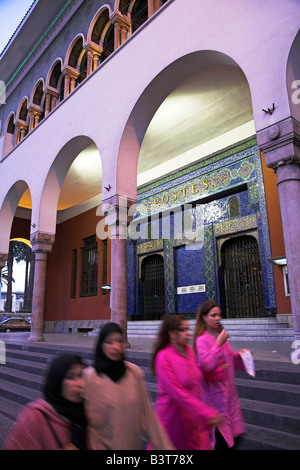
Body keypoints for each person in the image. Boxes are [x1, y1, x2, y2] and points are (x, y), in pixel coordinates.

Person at [83, 321, 174, 450]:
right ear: (100, 345)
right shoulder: (89, 378)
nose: (116, 347)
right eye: (109, 342)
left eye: (119, 341)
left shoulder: (134, 374)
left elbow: (149, 419)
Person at [150, 315, 222, 450]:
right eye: (183, 330)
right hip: (173, 420)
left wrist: (219, 373)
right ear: (172, 333)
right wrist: (206, 413)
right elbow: (178, 393)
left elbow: (197, 374)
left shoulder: (189, 351)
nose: (188, 333)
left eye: (188, 329)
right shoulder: (163, 357)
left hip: (193, 418)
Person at [4, 353, 88, 450]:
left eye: (81, 375)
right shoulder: (33, 417)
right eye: (70, 377)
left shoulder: (83, 410)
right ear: (57, 380)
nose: (80, 383)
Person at [194, 300, 247, 450]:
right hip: (216, 400)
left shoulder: (219, 335)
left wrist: (241, 356)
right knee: (222, 440)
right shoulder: (202, 340)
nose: (218, 318)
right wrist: (218, 344)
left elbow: (229, 359)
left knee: (236, 436)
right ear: (204, 317)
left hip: (230, 398)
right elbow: (206, 365)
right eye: (213, 315)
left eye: (219, 315)